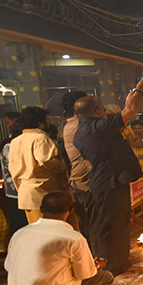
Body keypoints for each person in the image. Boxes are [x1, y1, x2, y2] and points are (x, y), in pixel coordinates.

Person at [4, 190, 113, 285]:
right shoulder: (73, 238)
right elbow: (84, 274)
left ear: (41, 209)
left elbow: (8, 266)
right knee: (106, 278)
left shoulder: (20, 233)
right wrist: (96, 266)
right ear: (71, 210)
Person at [74, 80, 143, 276]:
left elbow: (128, 111)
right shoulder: (95, 128)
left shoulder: (87, 129)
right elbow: (130, 110)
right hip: (107, 183)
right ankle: (109, 267)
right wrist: (139, 90)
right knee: (108, 227)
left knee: (120, 223)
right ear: (95, 111)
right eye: (102, 108)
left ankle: (121, 263)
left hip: (112, 180)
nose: (105, 111)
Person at [8, 106, 66, 223]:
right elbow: (45, 160)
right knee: (50, 232)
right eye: (47, 120)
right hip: (42, 193)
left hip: (26, 193)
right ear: (40, 123)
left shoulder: (15, 141)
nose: (49, 122)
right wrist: (63, 166)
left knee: (36, 231)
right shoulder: (40, 138)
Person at [61, 90, 95, 245]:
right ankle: (97, 261)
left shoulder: (77, 125)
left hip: (86, 182)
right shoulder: (77, 126)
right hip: (84, 183)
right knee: (93, 225)